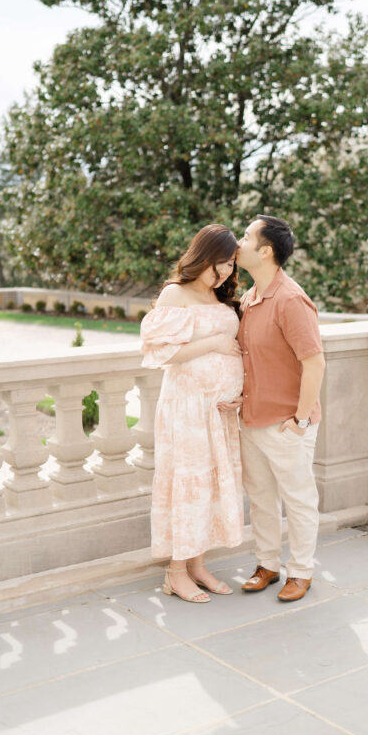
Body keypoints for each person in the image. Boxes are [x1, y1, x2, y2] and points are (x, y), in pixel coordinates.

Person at [139, 225, 244, 603]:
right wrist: (213, 342)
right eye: (220, 263)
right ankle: (175, 572)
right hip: (186, 408)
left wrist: (239, 394)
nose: (226, 271)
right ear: (202, 255)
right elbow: (159, 351)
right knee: (188, 484)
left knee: (209, 486)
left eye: (231, 264)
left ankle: (198, 565)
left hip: (218, 414)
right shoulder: (175, 293)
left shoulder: (221, 297)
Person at [229, 214, 326, 602]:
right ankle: (267, 564)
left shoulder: (290, 299)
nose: (239, 241)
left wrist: (300, 420)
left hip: (287, 423)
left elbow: (314, 362)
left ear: (266, 251)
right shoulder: (250, 298)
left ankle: (300, 571)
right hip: (251, 420)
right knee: (261, 498)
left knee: (298, 499)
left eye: (247, 236)